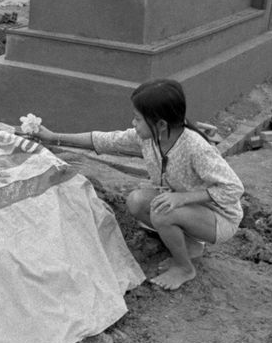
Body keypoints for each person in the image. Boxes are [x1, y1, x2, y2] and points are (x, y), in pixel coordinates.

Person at [30, 79, 244, 291]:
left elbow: (233, 188)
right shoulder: (149, 138)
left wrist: (182, 198)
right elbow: (105, 140)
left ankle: (184, 268)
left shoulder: (196, 148)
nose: (133, 124)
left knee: (162, 211)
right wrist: (53, 137)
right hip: (189, 209)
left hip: (218, 217)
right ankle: (190, 247)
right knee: (137, 201)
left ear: (161, 124)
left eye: (138, 119)